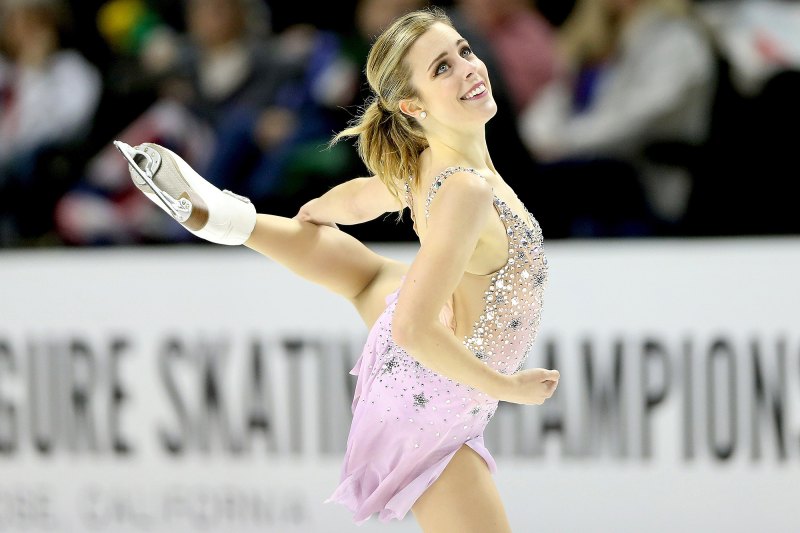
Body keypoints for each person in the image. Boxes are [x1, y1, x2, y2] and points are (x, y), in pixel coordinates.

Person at [116, 7, 559, 531]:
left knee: (368, 278)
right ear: (411, 104)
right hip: (434, 403)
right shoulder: (464, 188)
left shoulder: (432, 167)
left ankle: (231, 220)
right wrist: (510, 388)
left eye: (463, 51)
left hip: (432, 372)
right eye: (441, 67)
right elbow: (410, 328)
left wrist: (313, 213)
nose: (467, 67)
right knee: (372, 280)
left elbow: (359, 200)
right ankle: (230, 218)